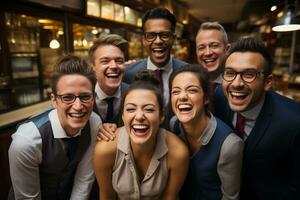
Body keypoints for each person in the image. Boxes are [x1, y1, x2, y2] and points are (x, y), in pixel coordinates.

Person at [214, 37, 300, 199]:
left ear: (267, 82)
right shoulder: (220, 97)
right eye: (230, 73)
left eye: (249, 74)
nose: (236, 83)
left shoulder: (294, 122)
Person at [8, 55, 101, 200]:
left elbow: (84, 179)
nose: (78, 106)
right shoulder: (26, 142)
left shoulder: (94, 122)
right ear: (54, 100)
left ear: (94, 98)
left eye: (85, 97)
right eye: (68, 97)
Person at [93, 70, 189, 199]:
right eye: (131, 109)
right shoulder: (105, 150)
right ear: (123, 115)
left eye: (149, 109)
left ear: (161, 116)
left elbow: (169, 197)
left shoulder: (178, 152)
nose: (139, 116)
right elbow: (107, 196)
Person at [169, 64, 244, 200]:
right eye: (176, 91)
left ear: (206, 98)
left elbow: (230, 198)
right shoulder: (174, 124)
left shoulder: (229, 145)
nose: (182, 97)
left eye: (192, 90)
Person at [123, 7, 187, 106]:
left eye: (164, 35)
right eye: (151, 35)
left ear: (173, 39)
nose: (158, 41)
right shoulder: (127, 74)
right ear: (143, 40)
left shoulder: (187, 72)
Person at [88, 34, 129, 125]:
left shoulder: (133, 94)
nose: (114, 66)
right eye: (105, 61)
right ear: (93, 67)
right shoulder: (81, 97)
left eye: (119, 61)